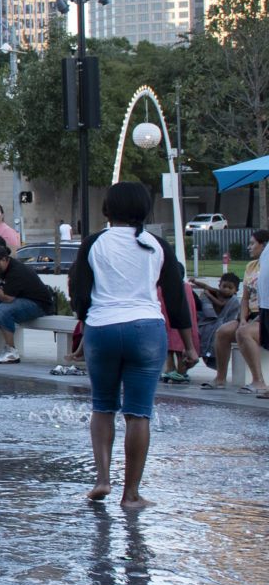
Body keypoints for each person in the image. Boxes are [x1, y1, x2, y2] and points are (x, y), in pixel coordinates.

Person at [66, 182, 189, 512]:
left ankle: (102, 479)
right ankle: (131, 494)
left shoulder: (93, 243)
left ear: (107, 208)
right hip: (147, 331)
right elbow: (176, 299)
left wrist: (84, 333)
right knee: (139, 414)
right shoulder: (157, 245)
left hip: (102, 329)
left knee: (102, 406)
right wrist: (190, 346)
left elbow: (80, 294)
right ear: (145, 209)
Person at [0, 239, 54, 365]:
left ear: (4, 260)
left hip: (38, 304)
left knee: (3, 311)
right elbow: (4, 292)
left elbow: (7, 298)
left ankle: (11, 352)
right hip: (19, 299)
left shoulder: (16, 271)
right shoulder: (0, 270)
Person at [211, 228, 268, 394]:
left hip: (263, 314)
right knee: (223, 331)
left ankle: (258, 381)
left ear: (264, 245)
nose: (249, 247)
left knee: (243, 333)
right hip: (249, 314)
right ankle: (220, 377)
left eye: (252, 243)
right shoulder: (251, 266)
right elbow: (245, 298)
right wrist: (243, 318)